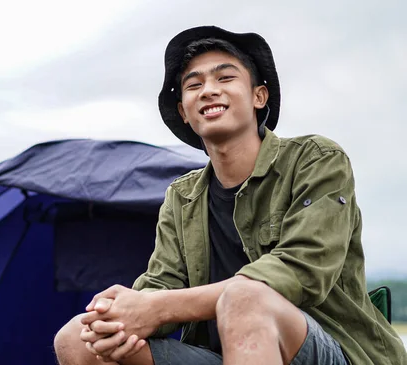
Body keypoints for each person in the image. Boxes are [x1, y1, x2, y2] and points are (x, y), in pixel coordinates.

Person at [53, 26, 407, 365]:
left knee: (246, 296)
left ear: (258, 96)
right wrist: (119, 314)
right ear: (184, 113)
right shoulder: (181, 197)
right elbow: (161, 284)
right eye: (194, 85)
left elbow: (301, 271)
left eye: (225, 78)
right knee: (76, 337)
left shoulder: (316, 160)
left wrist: (158, 307)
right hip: (218, 354)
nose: (208, 90)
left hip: (331, 350)